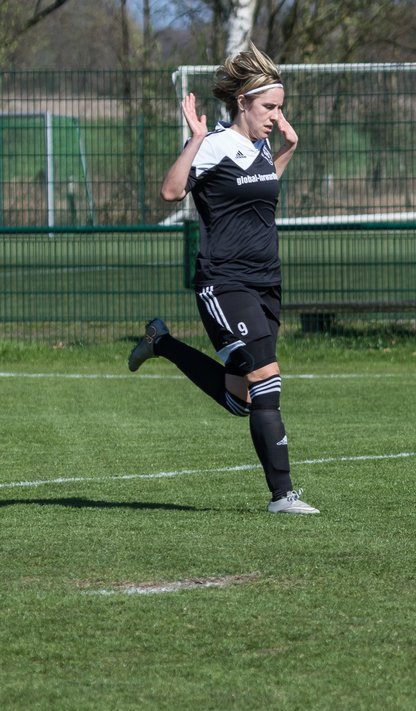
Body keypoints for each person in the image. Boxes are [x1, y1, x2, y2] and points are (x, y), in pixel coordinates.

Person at [128, 43, 317, 514]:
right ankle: (283, 496)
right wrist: (192, 138)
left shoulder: (263, 145)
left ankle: (162, 342)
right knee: (267, 383)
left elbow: (257, 191)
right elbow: (171, 191)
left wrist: (289, 149)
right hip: (224, 282)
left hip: (266, 281)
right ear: (243, 104)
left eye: (280, 108)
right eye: (269, 107)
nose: (277, 115)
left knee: (242, 400)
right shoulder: (212, 145)